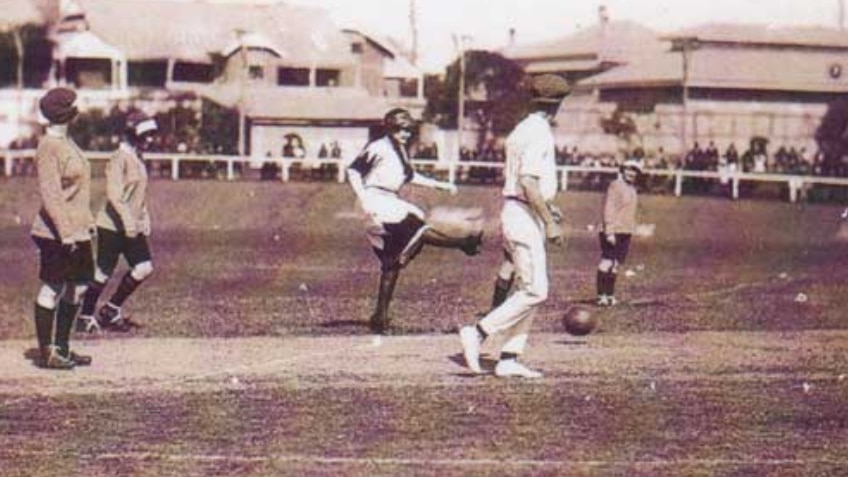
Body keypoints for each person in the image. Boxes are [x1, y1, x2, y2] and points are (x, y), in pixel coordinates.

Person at [458, 74, 568, 378]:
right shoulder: (540, 132)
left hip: (521, 211)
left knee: (527, 288)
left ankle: (508, 358)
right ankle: (478, 333)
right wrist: (549, 221)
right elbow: (528, 181)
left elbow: (528, 184)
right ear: (557, 104)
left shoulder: (523, 128)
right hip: (523, 216)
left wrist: (547, 209)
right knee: (536, 291)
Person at [347, 108, 483, 334]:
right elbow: (353, 171)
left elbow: (411, 177)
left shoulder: (399, 149)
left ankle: (379, 317)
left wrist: (441, 185)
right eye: (402, 130)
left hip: (388, 200)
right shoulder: (378, 147)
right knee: (417, 228)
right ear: (391, 128)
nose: (406, 134)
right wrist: (364, 198)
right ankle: (464, 243)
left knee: (391, 263)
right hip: (375, 200)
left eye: (408, 131)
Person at [30, 87, 94, 369]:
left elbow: (78, 191)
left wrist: (87, 223)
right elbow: (51, 193)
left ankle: (64, 348)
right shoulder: (49, 146)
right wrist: (65, 232)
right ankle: (48, 352)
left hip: (78, 230)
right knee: (53, 287)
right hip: (55, 232)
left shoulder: (68, 142)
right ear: (65, 113)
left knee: (78, 288)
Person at [77, 111, 157, 333]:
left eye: (151, 134)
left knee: (144, 268)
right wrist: (128, 220)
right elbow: (115, 195)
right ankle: (84, 316)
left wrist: (144, 216)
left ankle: (110, 310)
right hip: (112, 227)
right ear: (132, 134)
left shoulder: (138, 158)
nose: (150, 139)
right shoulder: (118, 159)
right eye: (145, 134)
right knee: (103, 273)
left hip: (131, 225)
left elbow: (138, 194)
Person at [596, 159, 643, 306]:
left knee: (616, 264)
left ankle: (610, 295)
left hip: (625, 231)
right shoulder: (615, 186)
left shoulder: (632, 189)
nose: (631, 173)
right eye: (628, 169)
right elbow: (608, 209)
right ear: (622, 170)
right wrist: (609, 231)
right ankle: (601, 296)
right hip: (612, 230)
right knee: (607, 262)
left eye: (634, 171)